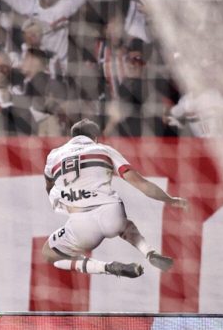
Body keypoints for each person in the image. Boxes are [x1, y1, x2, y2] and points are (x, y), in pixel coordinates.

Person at [42, 118, 187, 278]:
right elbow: (140, 183)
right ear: (95, 137)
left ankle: (108, 267)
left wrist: (60, 200)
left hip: (81, 226)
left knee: (49, 253)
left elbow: (49, 185)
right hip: (112, 214)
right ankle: (149, 252)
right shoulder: (104, 150)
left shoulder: (54, 155)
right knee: (124, 224)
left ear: (72, 136)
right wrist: (171, 200)